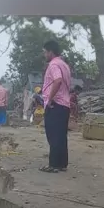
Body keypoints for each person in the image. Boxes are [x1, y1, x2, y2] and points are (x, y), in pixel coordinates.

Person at [39, 40, 72, 173]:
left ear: (50, 52)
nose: (44, 55)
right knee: (61, 135)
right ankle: (61, 163)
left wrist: (50, 98)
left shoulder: (53, 65)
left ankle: (53, 164)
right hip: (64, 104)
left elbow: (57, 80)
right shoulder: (64, 64)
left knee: (53, 135)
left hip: (55, 104)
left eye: (45, 52)